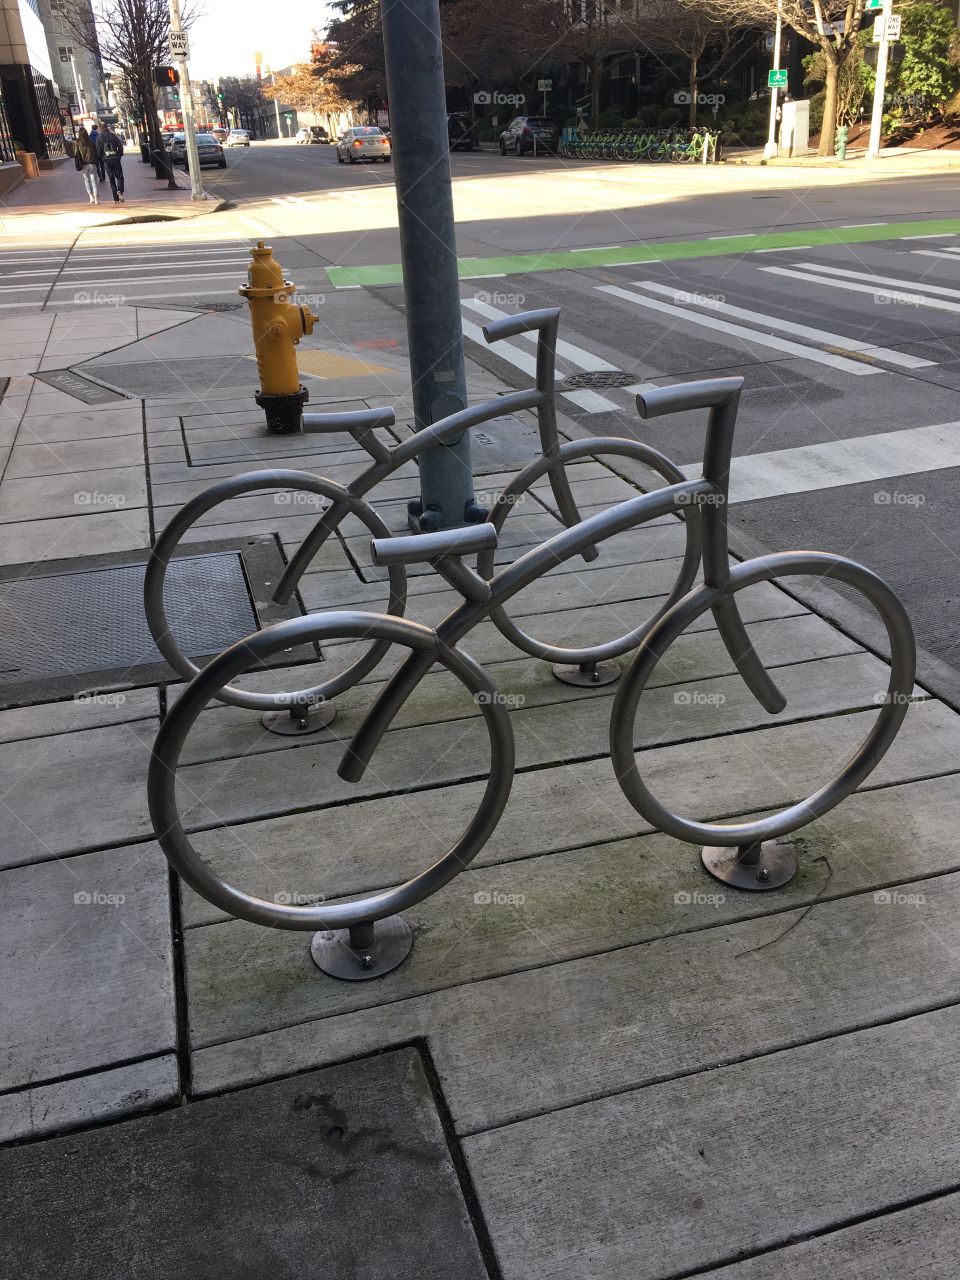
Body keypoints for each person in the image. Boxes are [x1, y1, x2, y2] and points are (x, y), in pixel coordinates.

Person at [98, 124, 125, 203]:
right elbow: (120, 146)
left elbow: (98, 150)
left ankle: (115, 198)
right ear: (107, 128)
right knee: (119, 176)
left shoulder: (99, 138)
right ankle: (120, 191)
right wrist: (119, 155)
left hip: (106, 160)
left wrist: (102, 157)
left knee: (111, 179)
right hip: (115, 159)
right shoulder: (113, 136)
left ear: (101, 129)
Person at [74, 126, 99, 204]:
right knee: (94, 181)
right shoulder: (91, 142)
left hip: (83, 164)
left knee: (87, 180)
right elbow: (96, 153)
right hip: (92, 163)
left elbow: (76, 154)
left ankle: (90, 196)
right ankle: (96, 199)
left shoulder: (77, 142)